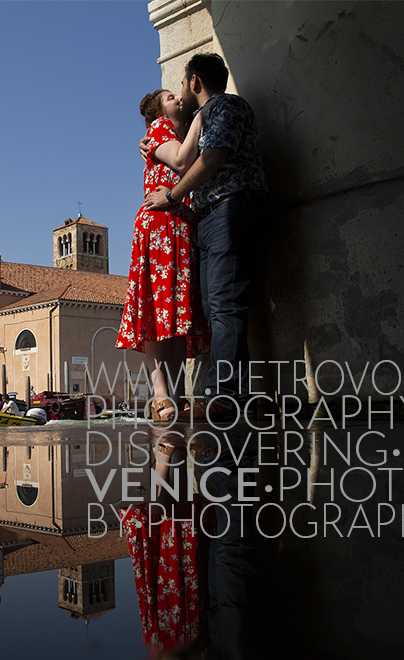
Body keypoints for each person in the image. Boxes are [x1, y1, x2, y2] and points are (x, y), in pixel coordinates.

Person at [143, 53, 268, 422]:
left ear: (195, 81)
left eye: (181, 84)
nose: (180, 93)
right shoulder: (202, 118)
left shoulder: (223, 108)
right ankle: (232, 396)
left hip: (228, 210)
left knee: (224, 306)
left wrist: (171, 195)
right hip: (215, 216)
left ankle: (222, 396)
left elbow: (211, 158)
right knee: (219, 309)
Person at [116, 88, 211, 423]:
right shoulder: (159, 129)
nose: (178, 99)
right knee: (159, 312)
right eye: (171, 96)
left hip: (179, 228)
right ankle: (160, 394)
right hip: (161, 228)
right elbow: (183, 162)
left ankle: (172, 394)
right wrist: (201, 114)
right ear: (158, 111)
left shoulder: (178, 134)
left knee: (173, 316)